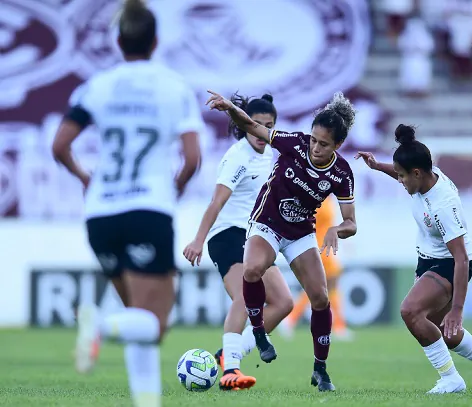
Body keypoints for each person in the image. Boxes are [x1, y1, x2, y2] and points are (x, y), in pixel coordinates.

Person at [51, 1, 203, 406]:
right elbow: (191, 159)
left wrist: (86, 178)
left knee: (138, 318)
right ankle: (98, 324)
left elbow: (60, 145)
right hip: (147, 210)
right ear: (156, 41)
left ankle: (146, 401)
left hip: (100, 213)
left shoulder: (96, 86)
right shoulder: (173, 86)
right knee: (154, 323)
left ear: (118, 42)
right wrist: (176, 188)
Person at [205, 90, 358, 392]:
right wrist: (230, 108)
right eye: (314, 139)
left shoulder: (342, 173)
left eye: (323, 144)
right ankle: (259, 335)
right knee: (252, 270)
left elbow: (352, 222)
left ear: (338, 146)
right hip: (267, 224)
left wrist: (336, 230)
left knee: (321, 298)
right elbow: (252, 126)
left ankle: (320, 369)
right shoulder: (295, 143)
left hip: (300, 232)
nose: (315, 147)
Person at [355, 125, 472, 394]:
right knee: (444, 333)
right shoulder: (426, 174)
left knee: (410, 311)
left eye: (403, 176)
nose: (401, 181)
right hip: (428, 258)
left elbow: (461, 258)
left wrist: (458, 309)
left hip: (451, 263)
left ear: (417, 173)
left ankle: (451, 379)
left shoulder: (443, 205)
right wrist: (378, 166)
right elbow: (404, 171)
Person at [182, 94, 293, 390]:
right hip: (227, 235)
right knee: (246, 297)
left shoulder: (273, 153)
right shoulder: (237, 157)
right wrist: (197, 239)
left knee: (283, 303)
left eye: (268, 125)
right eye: (256, 124)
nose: (261, 131)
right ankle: (231, 369)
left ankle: (226, 355)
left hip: (257, 237)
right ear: (244, 125)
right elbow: (217, 202)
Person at [280, 197, 353, 341]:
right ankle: (337, 325)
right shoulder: (316, 197)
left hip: (326, 243)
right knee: (324, 283)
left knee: (326, 284)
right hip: (319, 244)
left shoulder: (328, 197)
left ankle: (337, 325)